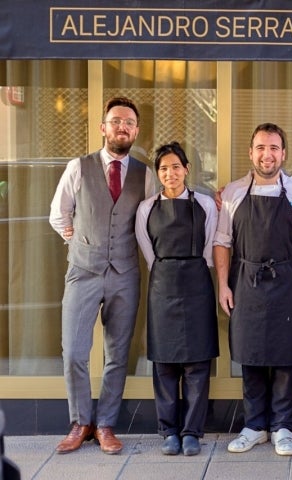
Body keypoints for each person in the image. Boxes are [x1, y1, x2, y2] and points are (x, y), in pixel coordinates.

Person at [49, 96, 156, 454]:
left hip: (125, 272)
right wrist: (78, 240)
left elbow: (155, 218)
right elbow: (58, 214)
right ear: (103, 127)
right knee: (74, 351)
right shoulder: (78, 166)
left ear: (136, 130)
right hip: (83, 271)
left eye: (128, 122)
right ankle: (80, 422)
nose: (122, 127)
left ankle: (106, 425)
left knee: (117, 354)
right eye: (115, 121)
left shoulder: (146, 174)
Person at [214, 123, 292, 457]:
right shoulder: (233, 194)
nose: (267, 154)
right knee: (250, 354)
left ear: (284, 154)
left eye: (273, 148)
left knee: (286, 357)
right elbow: (222, 242)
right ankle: (254, 425)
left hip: (287, 280)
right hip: (246, 278)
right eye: (260, 147)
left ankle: (284, 426)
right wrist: (223, 285)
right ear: (250, 152)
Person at [135, 142, 219, 456]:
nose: (170, 173)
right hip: (162, 284)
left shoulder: (206, 205)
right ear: (158, 174)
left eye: (175, 167)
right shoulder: (146, 208)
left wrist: (194, 266)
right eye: (163, 168)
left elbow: (210, 248)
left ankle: (192, 432)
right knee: (165, 363)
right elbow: (148, 252)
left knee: (198, 363)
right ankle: (168, 431)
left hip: (198, 282)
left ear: (186, 169)